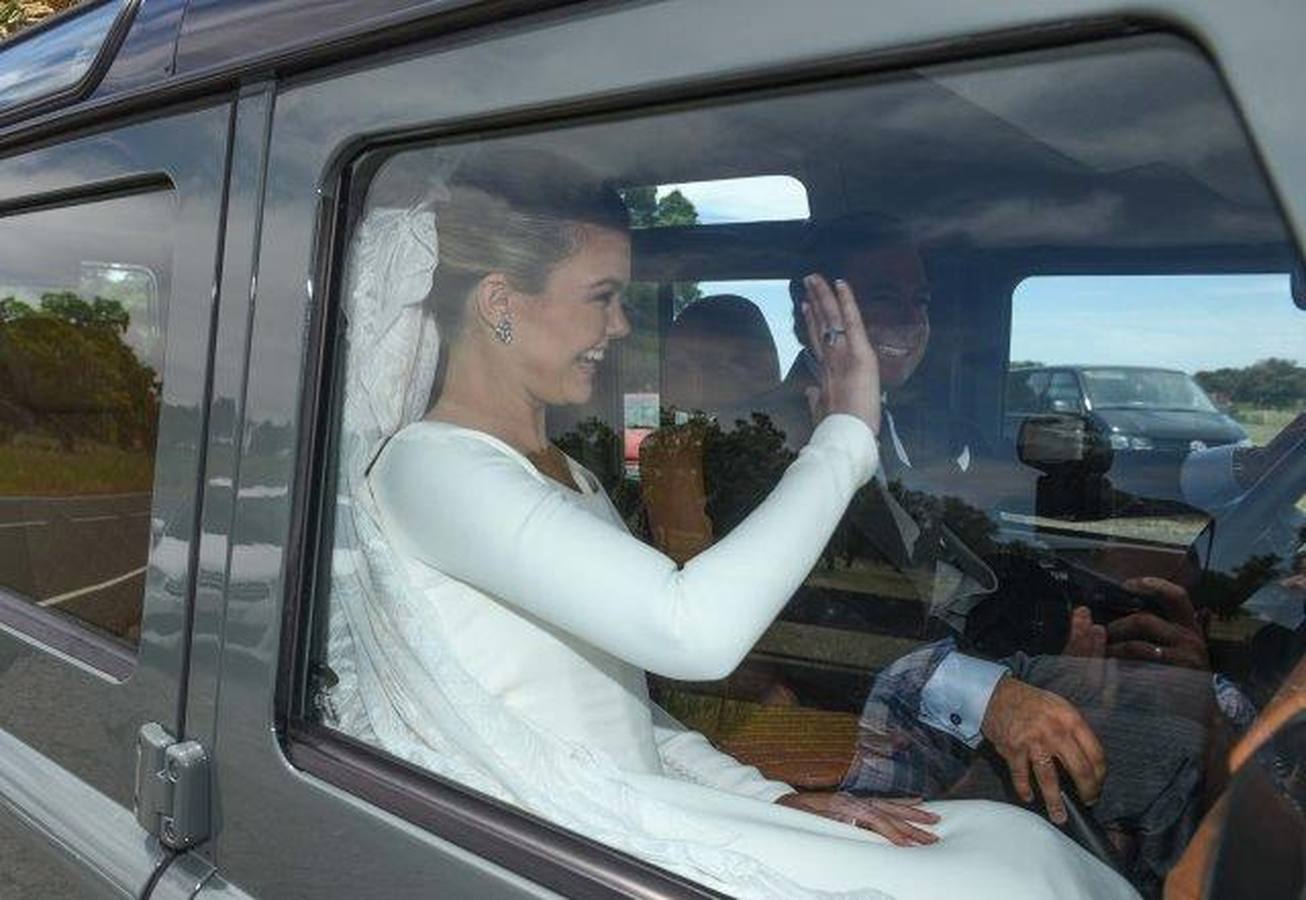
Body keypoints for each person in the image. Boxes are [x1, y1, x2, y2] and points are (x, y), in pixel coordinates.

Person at [325, 148, 1139, 899]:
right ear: (499, 303)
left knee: (1005, 844)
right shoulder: (430, 467)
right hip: (564, 836)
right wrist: (845, 433)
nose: (620, 328)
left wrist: (779, 799)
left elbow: (633, 711)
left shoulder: (567, 475)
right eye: (602, 298)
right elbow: (693, 634)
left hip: (653, 801)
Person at [735, 214, 1220, 894]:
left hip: (945, 675)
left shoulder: (918, 422)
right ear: (813, 313)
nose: (910, 319)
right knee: (1183, 746)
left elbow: (968, 557)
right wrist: (996, 696)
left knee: (1205, 696)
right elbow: (811, 626)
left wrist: (1069, 633)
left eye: (920, 301)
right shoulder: (764, 437)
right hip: (858, 717)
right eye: (883, 299)